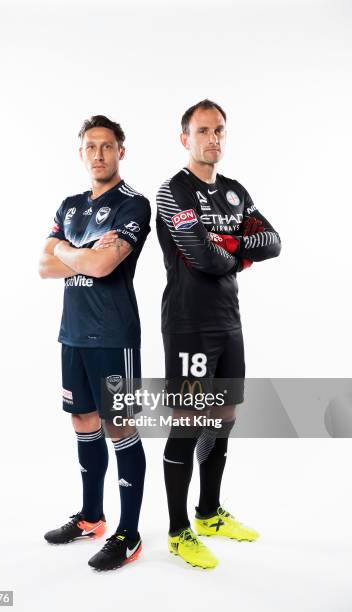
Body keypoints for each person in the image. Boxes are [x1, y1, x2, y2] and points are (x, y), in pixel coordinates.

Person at [156, 99, 281, 569]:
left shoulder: (234, 191)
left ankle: (208, 513)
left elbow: (273, 241)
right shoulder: (172, 192)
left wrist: (226, 245)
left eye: (220, 130)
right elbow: (203, 259)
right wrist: (232, 251)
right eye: (204, 130)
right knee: (188, 424)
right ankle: (177, 530)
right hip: (189, 325)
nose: (214, 139)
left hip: (229, 322)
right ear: (184, 137)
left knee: (223, 417)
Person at [39, 114, 151, 571]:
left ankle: (129, 533)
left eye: (107, 146)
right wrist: (77, 253)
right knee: (83, 419)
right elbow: (44, 266)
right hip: (73, 334)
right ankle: (91, 518)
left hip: (113, 335)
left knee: (119, 426)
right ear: (80, 152)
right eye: (91, 146)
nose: (99, 154)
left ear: (121, 151)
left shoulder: (134, 205)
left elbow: (105, 267)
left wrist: (66, 251)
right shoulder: (69, 205)